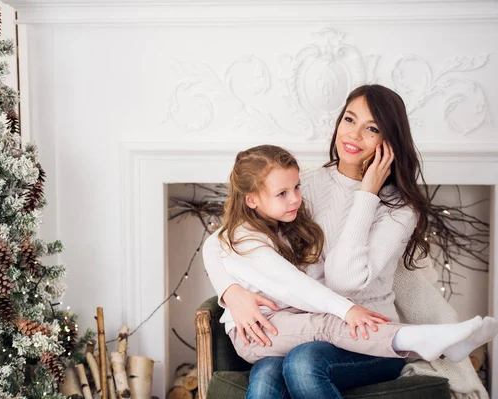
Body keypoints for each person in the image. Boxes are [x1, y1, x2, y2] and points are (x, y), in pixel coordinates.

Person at [202, 85, 490, 398]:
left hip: (366, 337)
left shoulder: (400, 209)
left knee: (303, 363)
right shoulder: (301, 184)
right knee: (265, 378)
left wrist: (366, 195)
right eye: (349, 120)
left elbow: (344, 280)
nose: (353, 135)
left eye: (372, 128)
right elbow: (221, 241)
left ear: (389, 142)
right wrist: (231, 293)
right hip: (301, 325)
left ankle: (412, 340)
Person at [203, 144, 497, 365]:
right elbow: (292, 284)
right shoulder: (244, 239)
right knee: (330, 323)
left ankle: (437, 342)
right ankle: (425, 339)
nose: (295, 199)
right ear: (252, 199)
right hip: (258, 333)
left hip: (288, 322)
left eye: (297, 187)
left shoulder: (281, 224)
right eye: (282, 193)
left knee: (323, 327)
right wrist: (347, 308)